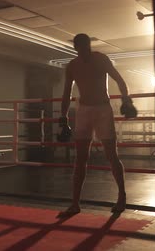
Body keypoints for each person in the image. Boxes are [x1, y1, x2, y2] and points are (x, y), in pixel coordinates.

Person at [58, 33, 138, 215]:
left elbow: (119, 79)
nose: (83, 50)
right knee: (80, 159)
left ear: (89, 45)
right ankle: (75, 204)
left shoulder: (101, 59)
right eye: (80, 47)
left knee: (111, 155)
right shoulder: (72, 66)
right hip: (83, 111)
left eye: (86, 46)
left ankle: (122, 197)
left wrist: (126, 100)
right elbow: (66, 93)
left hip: (103, 109)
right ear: (76, 48)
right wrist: (63, 118)